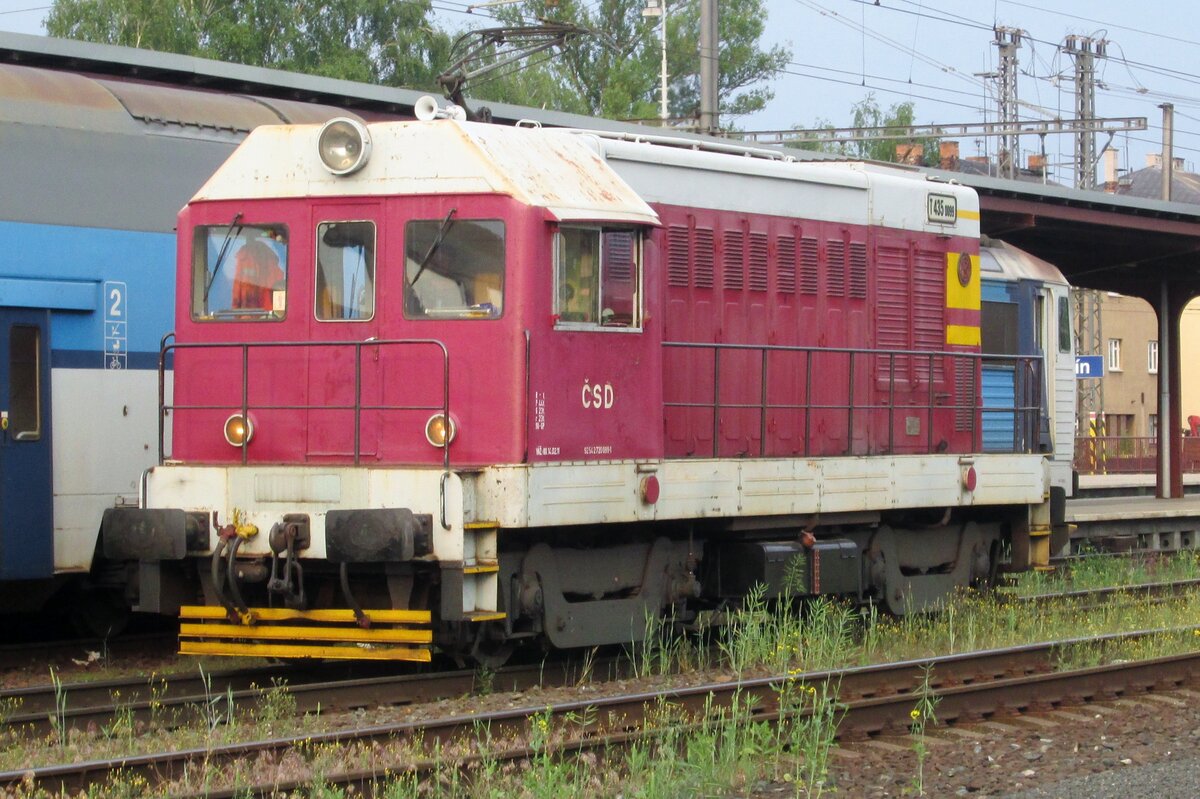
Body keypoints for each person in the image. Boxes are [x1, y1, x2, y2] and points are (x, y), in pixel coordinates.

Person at [231, 239, 285, 311]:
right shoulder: (272, 263)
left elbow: (236, 297)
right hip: (270, 317)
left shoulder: (243, 259)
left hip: (249, 316)